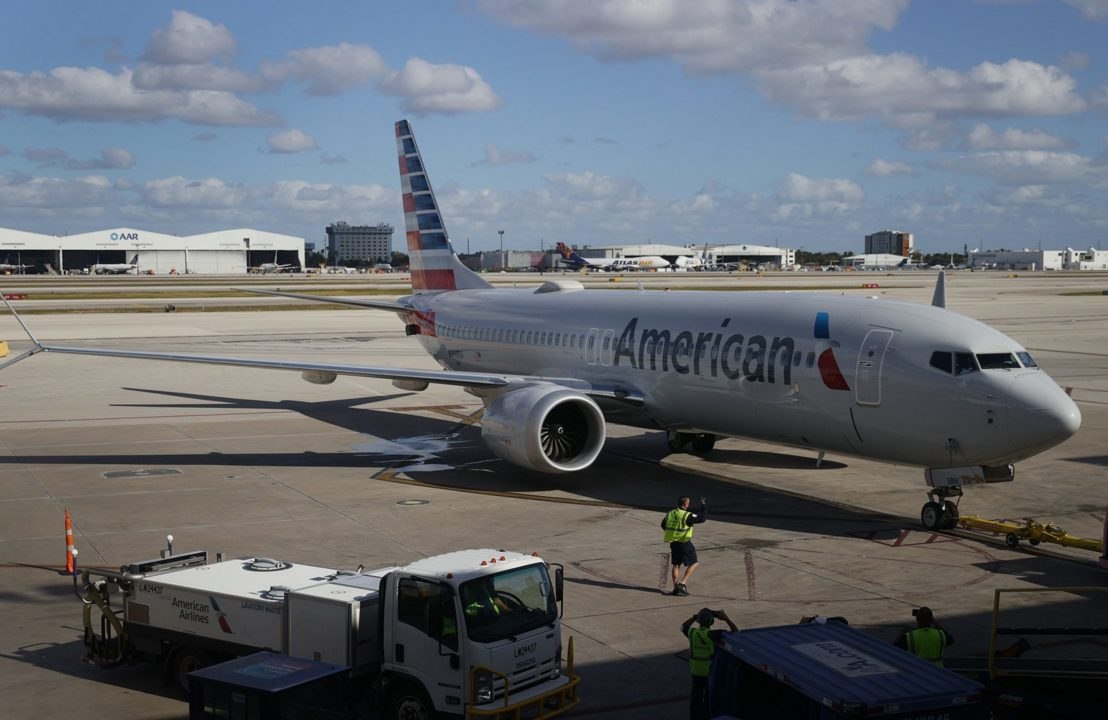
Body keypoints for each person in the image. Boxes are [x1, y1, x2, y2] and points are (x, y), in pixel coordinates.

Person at [682, 607, 737, 720]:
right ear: (711, 622)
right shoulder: (713, 634)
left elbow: (683, 626)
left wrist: (694, 617)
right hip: (709, 671)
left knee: (696, 697)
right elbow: (735, 632)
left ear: (699, 621)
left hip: (696, 671)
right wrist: (726, 619)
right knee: (708, 697)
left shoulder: (692, 632)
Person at [662, 495, 707, 595]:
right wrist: (703, 505)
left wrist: (673, 533)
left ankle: (675, 587)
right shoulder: (687, 515)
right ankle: (682, 584)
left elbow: (663, 525)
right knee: (694, 563)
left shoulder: (670, 513)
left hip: (673, 542)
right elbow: (702, 518)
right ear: (686, 504)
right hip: (684, 543)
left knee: (676, 565)